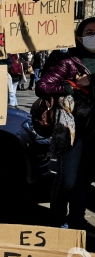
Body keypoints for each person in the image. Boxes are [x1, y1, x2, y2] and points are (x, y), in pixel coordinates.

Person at [36, 17, 95, 232]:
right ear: (79, 38)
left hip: (93, 132)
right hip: (72, 130)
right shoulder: (69, 61)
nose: (93, 37)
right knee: (68, 179)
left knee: (85, 179)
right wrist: (72, 87)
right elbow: (42, 86)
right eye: (89, 33)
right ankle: (57, 220)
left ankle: (77, 219)